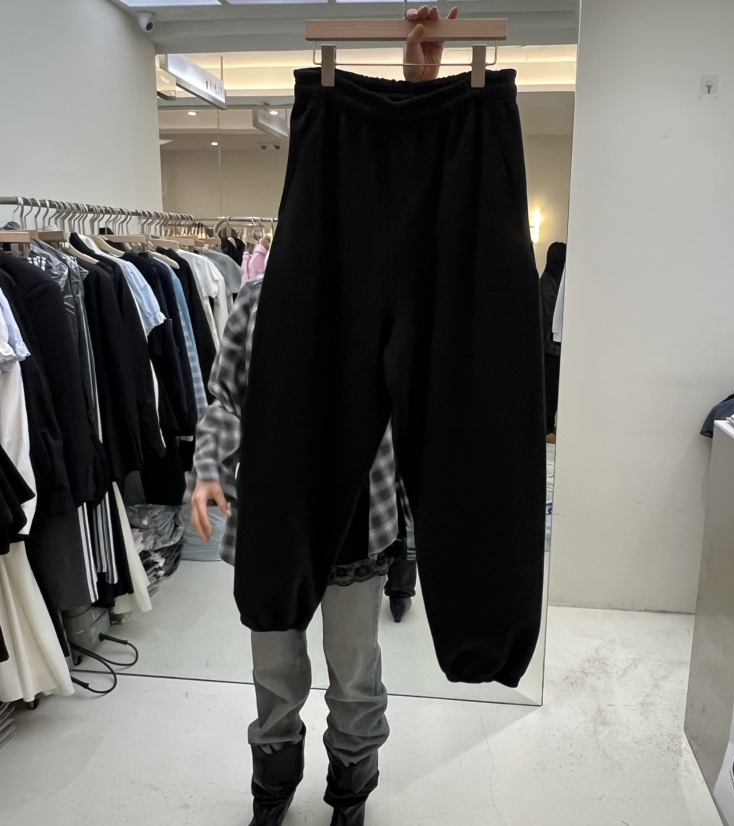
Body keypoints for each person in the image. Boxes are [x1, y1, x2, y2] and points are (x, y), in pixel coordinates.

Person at [190, 8, 457, 825]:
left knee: (355, 677)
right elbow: (225, 395)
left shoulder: (386, 303)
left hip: (360, 528)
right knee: (274, 676)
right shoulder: (258, 303)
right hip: (273, 520)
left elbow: (420, 210)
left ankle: (350, 795)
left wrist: (420, 86)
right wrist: (207, 470)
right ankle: (271, 793)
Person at [539, 241, 567, 439]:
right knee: (550, 394)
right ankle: (547, 430)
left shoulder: (548, 281)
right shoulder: (548, 284)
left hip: (550, 349)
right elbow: (552, 317)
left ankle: (548, 428)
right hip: (551, 350)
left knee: (551, 394)